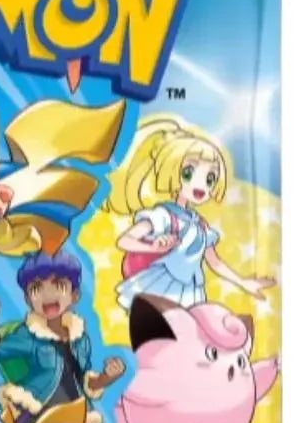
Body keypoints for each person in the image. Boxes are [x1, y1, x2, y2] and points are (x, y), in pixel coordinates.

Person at [109, 119, 276, 309]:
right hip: (160, 285)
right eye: (188, 173)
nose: (201, 185)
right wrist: (152, 247)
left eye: (210, 179)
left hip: (191, 291)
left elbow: (215, 262)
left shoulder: (201, 225)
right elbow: (124, 241)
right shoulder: (164, 216)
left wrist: (243, 283)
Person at [0, 249, 126, 423]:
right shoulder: (29, 335)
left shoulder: (80, 339)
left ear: (75, 295)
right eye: (37, 288)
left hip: (70, 416)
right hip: (37, 414)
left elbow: (83, 380)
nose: (48, 295)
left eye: (59, 285)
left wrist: (107, 377)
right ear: (28, 299)